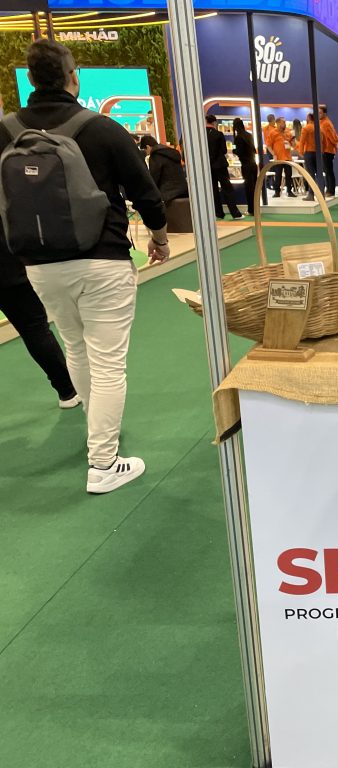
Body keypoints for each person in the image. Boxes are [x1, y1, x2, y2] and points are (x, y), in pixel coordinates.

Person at [0, 39, 169, 493]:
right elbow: (146, 194)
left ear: (30, 79)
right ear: (73, 76)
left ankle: (100, 435)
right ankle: (104, 462)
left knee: (75, 349)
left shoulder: (6, 130)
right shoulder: (102, 128)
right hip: (102, 259)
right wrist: (159, 239)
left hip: (38, 265)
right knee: (109, 362)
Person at [0, 234, 79, 409]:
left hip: (10, 270)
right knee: (34, 330)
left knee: (35, 331)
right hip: (9, 269)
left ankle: (68, 390)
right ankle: (67, 391)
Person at [205, 114, 242, 219]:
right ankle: (235, 213)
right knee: (227, 189)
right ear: (214, 122)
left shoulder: (202, 134)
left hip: (209, 166)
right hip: (220, 166)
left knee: (213, 189)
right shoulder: (218, 134)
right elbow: (224, 150)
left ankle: (219, 213)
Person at [139, 135, 188, 204]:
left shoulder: (155, 156)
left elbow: (154, 178)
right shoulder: (170, 152)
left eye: (145, 150)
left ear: (148, 147)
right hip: (184, 191)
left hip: (169, 195)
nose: (147, 153)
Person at [231, 117, 258, 215]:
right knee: (254, 188)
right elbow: (253, 150)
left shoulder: (238, 137)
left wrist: (233, 151)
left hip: (246, 165)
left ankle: (251, 210)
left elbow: (239, 152)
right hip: (253, 164)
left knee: (248, 188)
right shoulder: (249, 135)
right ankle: (256, 208)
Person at [266, 117, 295, 197]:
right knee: (278, 175)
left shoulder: (288, 132)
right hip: (278, 158)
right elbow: (268, 145)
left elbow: (292, 144)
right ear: (278, 123)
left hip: (288, 157)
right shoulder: (273, 133)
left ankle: (289, 191)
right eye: (283, 122)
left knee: (289, 175)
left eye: (285, 122)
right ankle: (277, 192)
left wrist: (293, 141)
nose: (285, 124)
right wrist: (273, 154)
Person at [318, 105, 338, 196]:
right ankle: (329, 189)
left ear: (324, 113)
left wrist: (335, 145)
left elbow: (333, 137)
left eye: (320, 113)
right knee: (327, 171)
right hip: (325, 150)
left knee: (328, 171)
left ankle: (331, 190)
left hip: (328, 150)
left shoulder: (326, 123)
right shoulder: (322, 122)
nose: (318, 114)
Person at [296, 112, 318, 202]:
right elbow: (323, 140)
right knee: (318, 173)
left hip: (309, 152)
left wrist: (301, 152)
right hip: (318, 153)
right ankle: (321, 193)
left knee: (310, 174)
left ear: (309, 118)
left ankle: (311, 194)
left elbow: (302, 141)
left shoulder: (306, 128)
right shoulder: (319, 127)